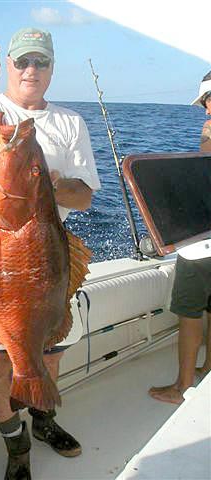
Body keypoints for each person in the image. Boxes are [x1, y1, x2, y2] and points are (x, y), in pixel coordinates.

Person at [0, 28, 101, 479]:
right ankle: (17, 444)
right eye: (22, 61)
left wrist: (45, 180)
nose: (31, 70)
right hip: (5, 253)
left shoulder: (70, 122)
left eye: (41, 62)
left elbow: (84, 196)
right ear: (7, 64)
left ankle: (43, 419)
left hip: (48, 263)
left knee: (47, 357)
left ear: (51, 68)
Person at [148, 71, 211, 405]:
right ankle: (207, 368)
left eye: (207, 101)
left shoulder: (210, 131)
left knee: (189, 313)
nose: (205, 110)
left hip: (201, 246)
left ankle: (182, 387)